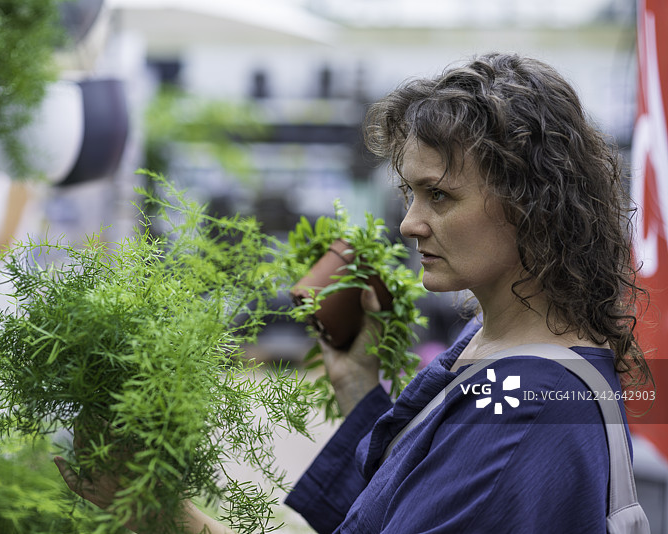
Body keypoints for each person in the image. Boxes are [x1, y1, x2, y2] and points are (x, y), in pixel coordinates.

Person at [56, 52, 652, 533]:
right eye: (410, 193)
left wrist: (160, 516)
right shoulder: (498, 345)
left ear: (532, 204)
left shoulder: (523, 409)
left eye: (440, 195)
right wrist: (358, 384)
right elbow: (403, 505)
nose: (410, 223)